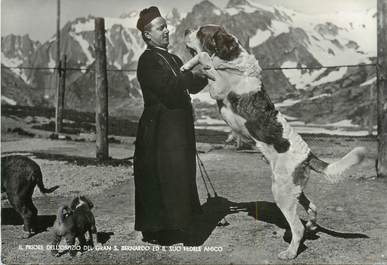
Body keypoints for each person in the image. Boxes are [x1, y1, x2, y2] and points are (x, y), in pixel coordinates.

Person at [134, 6, 214, 244]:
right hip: (158, 131)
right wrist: (189, 74)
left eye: (166, 26)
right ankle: (158, 230)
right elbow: (169, 88)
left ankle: (178, 224)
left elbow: (194, 83)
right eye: (161, 28)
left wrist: (199, 72)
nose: (167, 31)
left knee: (179, 174)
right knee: (161, 176)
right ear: (148, 35)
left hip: (177, 130)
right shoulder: (147, 60)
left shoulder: (174, 58)